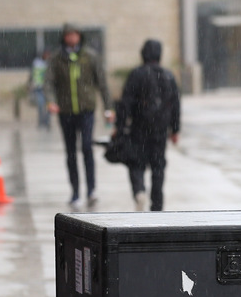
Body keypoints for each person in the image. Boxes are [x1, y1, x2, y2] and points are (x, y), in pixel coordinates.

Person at [46, 24, 112, 210]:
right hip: (66, 111)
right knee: (70, 152)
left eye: (75, 35)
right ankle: (75, 191)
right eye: (69, 35)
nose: (72, 38)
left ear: (80, 36)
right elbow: (49, 82)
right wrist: (51, 101)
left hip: (86, 110)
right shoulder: (57, 59)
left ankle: (91, 190)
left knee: (86, 148)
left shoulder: (90, 57)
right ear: (64, 37)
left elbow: (103, 83)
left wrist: (109, 108)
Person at [117, 39, 180, 211]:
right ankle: (157, 204)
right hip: (160, 130)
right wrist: (175, 129)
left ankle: (139, 191)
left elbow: (125, 103)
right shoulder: (168, 75)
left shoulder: (136, 74)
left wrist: (120, 126)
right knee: (158, 167)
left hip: (139, 128)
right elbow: (175, 105)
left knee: (136, 163)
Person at [29, 50, 50, 129]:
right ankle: (41, 123)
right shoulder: (36, 63)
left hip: (47, 89)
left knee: (48, 106)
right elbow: (32, 73)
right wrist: (30, 83)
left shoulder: (50, 63)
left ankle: (47, 123)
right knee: (41, 105)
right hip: (38, 87)